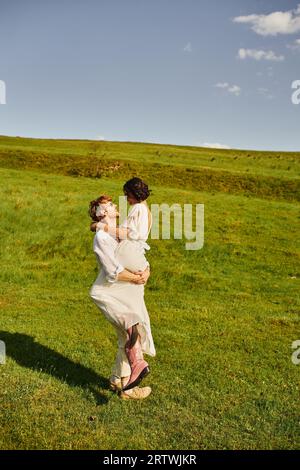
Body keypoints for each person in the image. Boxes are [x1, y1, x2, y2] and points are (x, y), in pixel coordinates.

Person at [89, 185, 155, 400]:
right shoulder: (102, 238)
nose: (116, 204)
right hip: (107, 294)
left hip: (122, 292)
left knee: (124, 338)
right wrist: (137, 277)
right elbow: (112, 271)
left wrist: (145, 270)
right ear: (101, 213)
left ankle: (118, 379)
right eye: (109, 204)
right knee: (132, 332)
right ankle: (128, 388)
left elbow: (137, 251)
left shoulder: (119, 235)